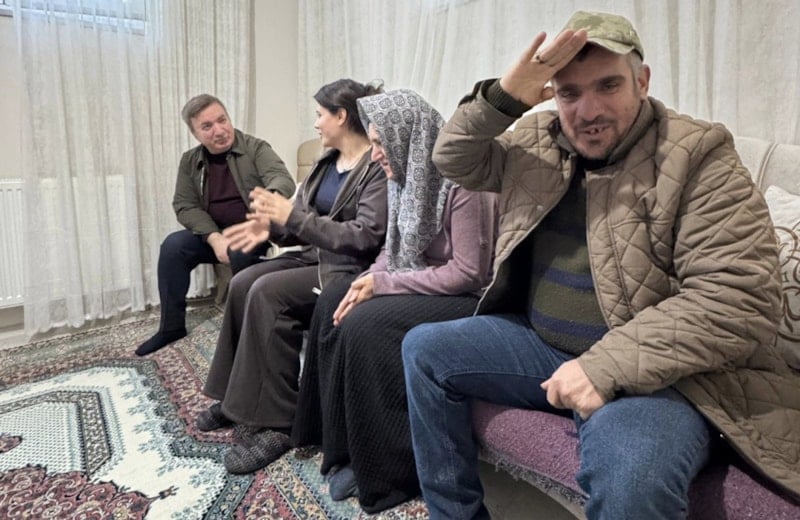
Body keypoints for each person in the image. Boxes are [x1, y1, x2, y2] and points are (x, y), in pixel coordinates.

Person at [401, 10, 800, 520]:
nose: (588, 111)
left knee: (632, 475)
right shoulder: (539, 140)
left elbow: (739, 298)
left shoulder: (698, 155)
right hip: (543, 345)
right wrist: (504, 96)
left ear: (642, 81)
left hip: (661, 373)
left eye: (608, 85)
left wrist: (602, 366)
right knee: (424, 349)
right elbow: (453, 159)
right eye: (570, 93)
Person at [291, 89, 497, 513]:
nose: (376, 154)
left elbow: (469, 273)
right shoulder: (403, 177)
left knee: (368, 324)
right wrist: (369, 278)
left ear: (409, 137)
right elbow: (393, 249)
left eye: (382, 143)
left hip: (467, 297)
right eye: (374, 142)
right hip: (422, 281)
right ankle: (337, 441)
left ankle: (387, 473)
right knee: (336, 296)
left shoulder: (462, 183)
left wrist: (384, 285)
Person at [197, 79, 388, 475]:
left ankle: (281, 422)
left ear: (341, 116)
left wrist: (294, 218)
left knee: (269, 292)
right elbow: (297, 223)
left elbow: (365, 236)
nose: (315, 123)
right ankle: (235, 399)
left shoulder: (376, 168)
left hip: (349, 268)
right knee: (242, 283)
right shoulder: (326, 163)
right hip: (315, 256)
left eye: (320, 115)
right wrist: (270, 228)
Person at [135, 94, 295, 356]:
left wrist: (266, 205)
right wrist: (214, 237)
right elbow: (184, 205)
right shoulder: (190, 161)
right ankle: (171, 327)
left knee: (240, 251)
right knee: (173, 246)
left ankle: (246, 332)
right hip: (214, 234)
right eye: (207, 126)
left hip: (252, 231)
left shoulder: (255, 147)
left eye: (222, 120)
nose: (219, 130)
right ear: (195, 133)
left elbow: (281, 178)